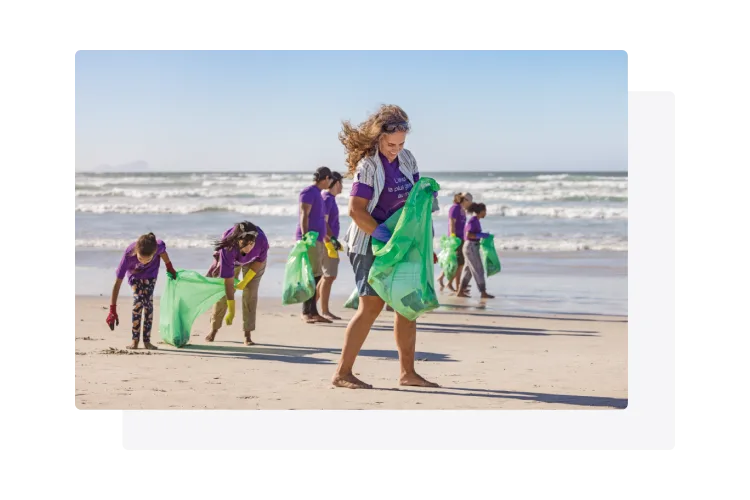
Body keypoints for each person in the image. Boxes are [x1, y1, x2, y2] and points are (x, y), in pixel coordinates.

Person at [332, 103, 440, 390]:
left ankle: (408, 373)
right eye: (391, 144)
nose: (396, 149)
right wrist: (383, 236)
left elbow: (418, 205)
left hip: (401, 243)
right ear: (379, 137)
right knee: (371, 306)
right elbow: (356, 211)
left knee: (407, 305)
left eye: (401, 143)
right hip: (369, 242)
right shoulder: (368, 165)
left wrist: (426, 241)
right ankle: (343, 373)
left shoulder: (408, 160)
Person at [107, 232, 176, 350]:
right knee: (138, 302)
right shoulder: (128, 254)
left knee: (148, 304)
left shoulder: (157, 246)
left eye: (147, 259)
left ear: (154, 253)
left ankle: (147, 341)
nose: (143, 262)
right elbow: (117, 283)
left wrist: (169, 266)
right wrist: (112, 310)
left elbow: (163, 253)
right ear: (136, 251)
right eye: (140, 258)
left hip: (151, 275)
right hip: (135, 276)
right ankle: (135, 340)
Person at [205, 221, 268, 346]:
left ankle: (247, 333)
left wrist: (246, 281)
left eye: (252, 243)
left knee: (251, 293)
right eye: (246, 244)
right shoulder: (227, 249)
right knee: (223, 294)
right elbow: (228, 282)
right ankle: (214, 328)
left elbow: (259, 261)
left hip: (255, 263)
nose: (249, 248)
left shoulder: (261, 241)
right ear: (238, 240)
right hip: (234, 261)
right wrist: (232, 309)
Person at [297, 166, 334, 324]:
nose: (330, 183)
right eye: (330, 180)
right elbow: (304, 215)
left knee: (317, 275)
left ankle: (313, 311)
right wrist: (306, 239)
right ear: (325, 178)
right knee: (312, 276)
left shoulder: (318, 194)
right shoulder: (308, 192)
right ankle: (307, 312)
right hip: (310, 240)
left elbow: (319, 219)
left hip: (318, 239)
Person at [316, 170, 344, 320]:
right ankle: (324, 310)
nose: (342, 187)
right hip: (327, 242)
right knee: (329, 276)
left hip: (329, 241)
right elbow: (323, 221)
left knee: (327, 277)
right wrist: (331, 241)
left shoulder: (329, 198)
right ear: (336, 183)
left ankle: (313, 308)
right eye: (341, 183)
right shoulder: (327, 198)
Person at [457, 203, 495, 299]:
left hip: (470, 247)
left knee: (468, 270)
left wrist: (481, 235)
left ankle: (460, 291)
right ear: (481, 211)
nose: (485, 213)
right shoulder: (473, 221)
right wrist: (481, 235)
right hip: (471, 247)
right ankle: (483, 292)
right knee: (478, 269)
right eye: (485, 211)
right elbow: (469, 234)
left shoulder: (475, 220)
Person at [437, 192, 473, 292]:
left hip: (461, 238)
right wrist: (453, 237)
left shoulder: (463, 210)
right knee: (458, 263)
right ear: (465, 200)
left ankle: (442, 279)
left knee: (454, 261)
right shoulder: (455, 208)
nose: (470, 204)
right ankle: (454, 285)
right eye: (469, 201)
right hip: (455, 239)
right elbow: (451, 223)